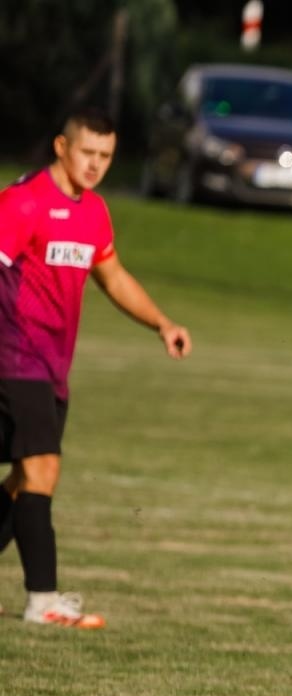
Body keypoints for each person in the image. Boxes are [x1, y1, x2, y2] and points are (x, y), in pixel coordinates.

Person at [0, 108, 193, 627]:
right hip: (13, 359)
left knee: (24, 477)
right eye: (88, 152)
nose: (96, 165)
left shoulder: (94, 212)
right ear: (62, 147)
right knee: (43, 469)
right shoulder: (23, 202)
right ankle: (43, 600)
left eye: (106, 156)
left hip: (52, 366)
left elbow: (112, 276)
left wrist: (161, 323)